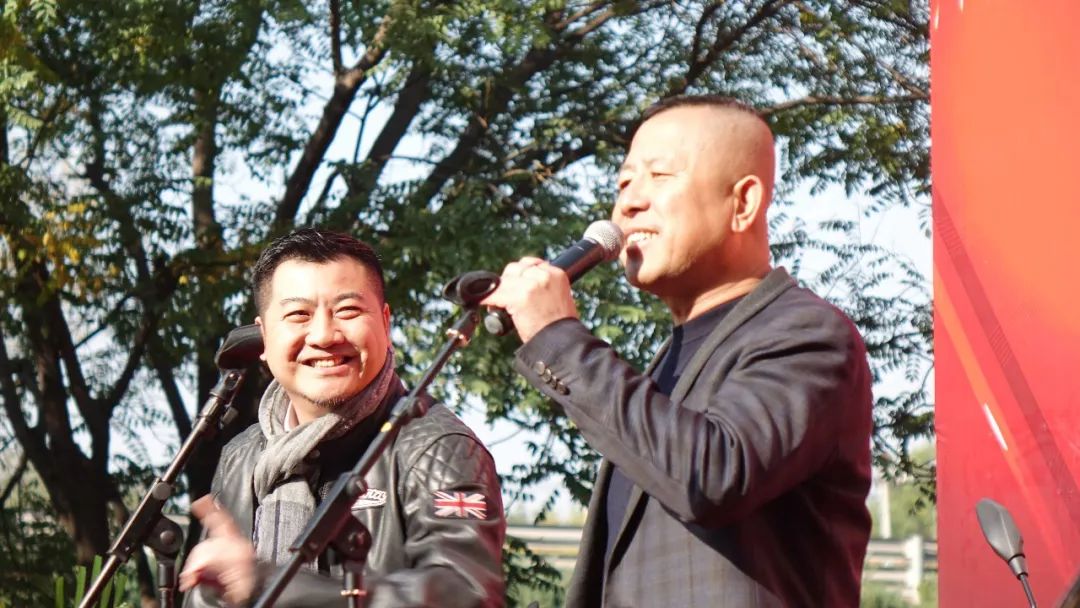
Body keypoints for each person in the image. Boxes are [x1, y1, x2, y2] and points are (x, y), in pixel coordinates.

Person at [481, 95, 873, 607]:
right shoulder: (670, 360)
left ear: (743, 203)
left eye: (659, 176)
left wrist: (559, 337)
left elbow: (711, 475)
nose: (629, 203)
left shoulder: (808, 333)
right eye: (624, 183)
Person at [180, 228, 505, 607]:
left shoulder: (438, 448)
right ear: (264, 337)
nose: (323, 335)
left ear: (385, 323)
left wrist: (268, 585)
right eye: (298, 315)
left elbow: (466, 596)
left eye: (348, 311)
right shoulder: (241, 455)